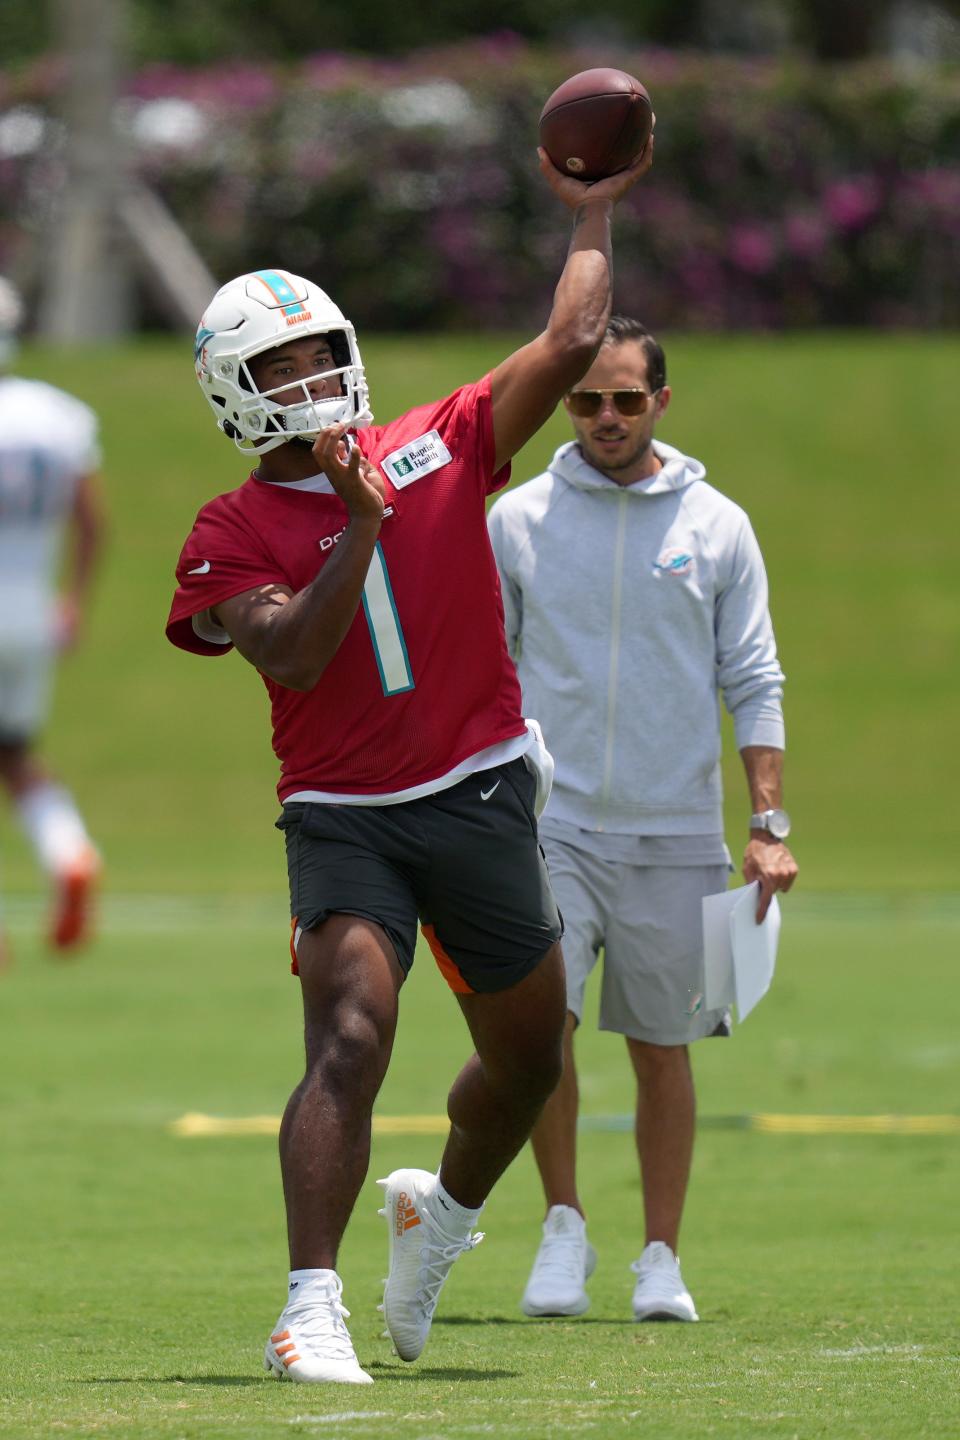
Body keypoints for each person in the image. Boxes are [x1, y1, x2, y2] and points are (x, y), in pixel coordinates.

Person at [165, 142, 654, 1384]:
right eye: (283, 365)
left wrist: (592, 210)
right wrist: (362, 520)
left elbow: (568, 335)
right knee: (350, 1032)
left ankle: (436, 1216)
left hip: (481, 787)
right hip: (345, 815)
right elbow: (286, 652)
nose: (317, 377)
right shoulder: (229, 529)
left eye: (325, 351)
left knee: (533, 1054)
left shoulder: (437, 443)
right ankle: (308, 1307)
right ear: (235, 392)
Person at [487, 314, 798, 1325]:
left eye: (627, 399)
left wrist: (769, 823)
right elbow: (488, 673)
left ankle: (661, 1257)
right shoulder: (521, 519)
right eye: (587, 399)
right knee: (547, 1032)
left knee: (663, 1045)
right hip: (553, 822)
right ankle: (563, 1228)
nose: (607, 417)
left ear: (661, 400)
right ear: (567, 401)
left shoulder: (718, 526)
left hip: (677, 830)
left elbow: (753, 677)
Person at [0, 277, 104, 967]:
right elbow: (92, 520)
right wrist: (73, 599)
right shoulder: (58, 415)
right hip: (31, 609)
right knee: (13, 752)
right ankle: (69, 851)